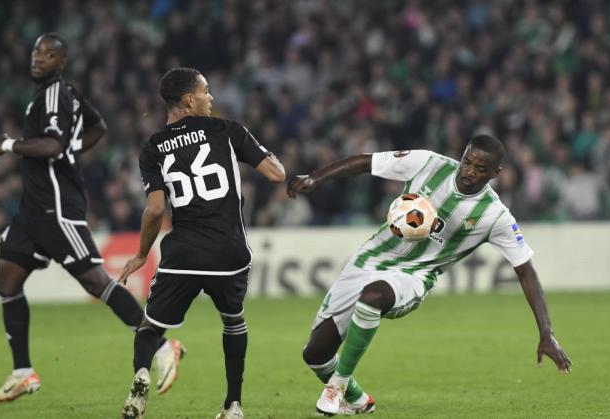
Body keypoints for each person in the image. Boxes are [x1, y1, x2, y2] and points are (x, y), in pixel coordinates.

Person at [287, 135, 572, 416]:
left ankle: (336, 387)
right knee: (315, 354)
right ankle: (359, 400)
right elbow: (366, 162)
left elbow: (526, 271)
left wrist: (546, 333)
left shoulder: (495, 216)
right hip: (370, 259)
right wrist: (316, 178)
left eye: (481, 169)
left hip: (414, 276)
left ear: (496, 173)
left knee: (373, 296)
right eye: (467, 162)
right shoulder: (428, 163)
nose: (470, 172)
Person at [0, 33, 184, 403]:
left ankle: (161, 347)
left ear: (61, 63)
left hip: (56, 207)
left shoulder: (56, 95)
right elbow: (99, 128)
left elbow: (52, 146)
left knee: (96, 282)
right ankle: (23, 372)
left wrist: (11, 144)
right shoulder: (67, 95)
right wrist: (71, 150)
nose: (37, 59)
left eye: (48, 55)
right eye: (35, 52)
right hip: (32, 210)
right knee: (7, 280)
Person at [118, 67, 285, 419]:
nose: (212, 98)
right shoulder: (227, 130)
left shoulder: (153, 148)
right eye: (206, 91)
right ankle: (233, 405)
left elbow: (155, 209)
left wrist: (141, 254)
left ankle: (142, 373)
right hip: (230, 252)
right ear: (189, 99)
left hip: (183, 254)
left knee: (151, 327)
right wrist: (272, 158)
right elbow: (275, 174)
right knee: (233, 321)